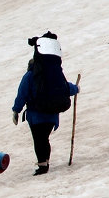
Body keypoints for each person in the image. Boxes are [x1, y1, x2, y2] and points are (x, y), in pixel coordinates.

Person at [12, 31, 80, 175]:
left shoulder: (30, 76)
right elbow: (65, 87)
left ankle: (43, 164)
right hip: (52, 115)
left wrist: (16, 110)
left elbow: (22, 94)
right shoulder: (54, 75)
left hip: (36, 116)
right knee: (44, 138)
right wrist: (76, 88)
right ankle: (45, 161)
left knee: (39, 139)